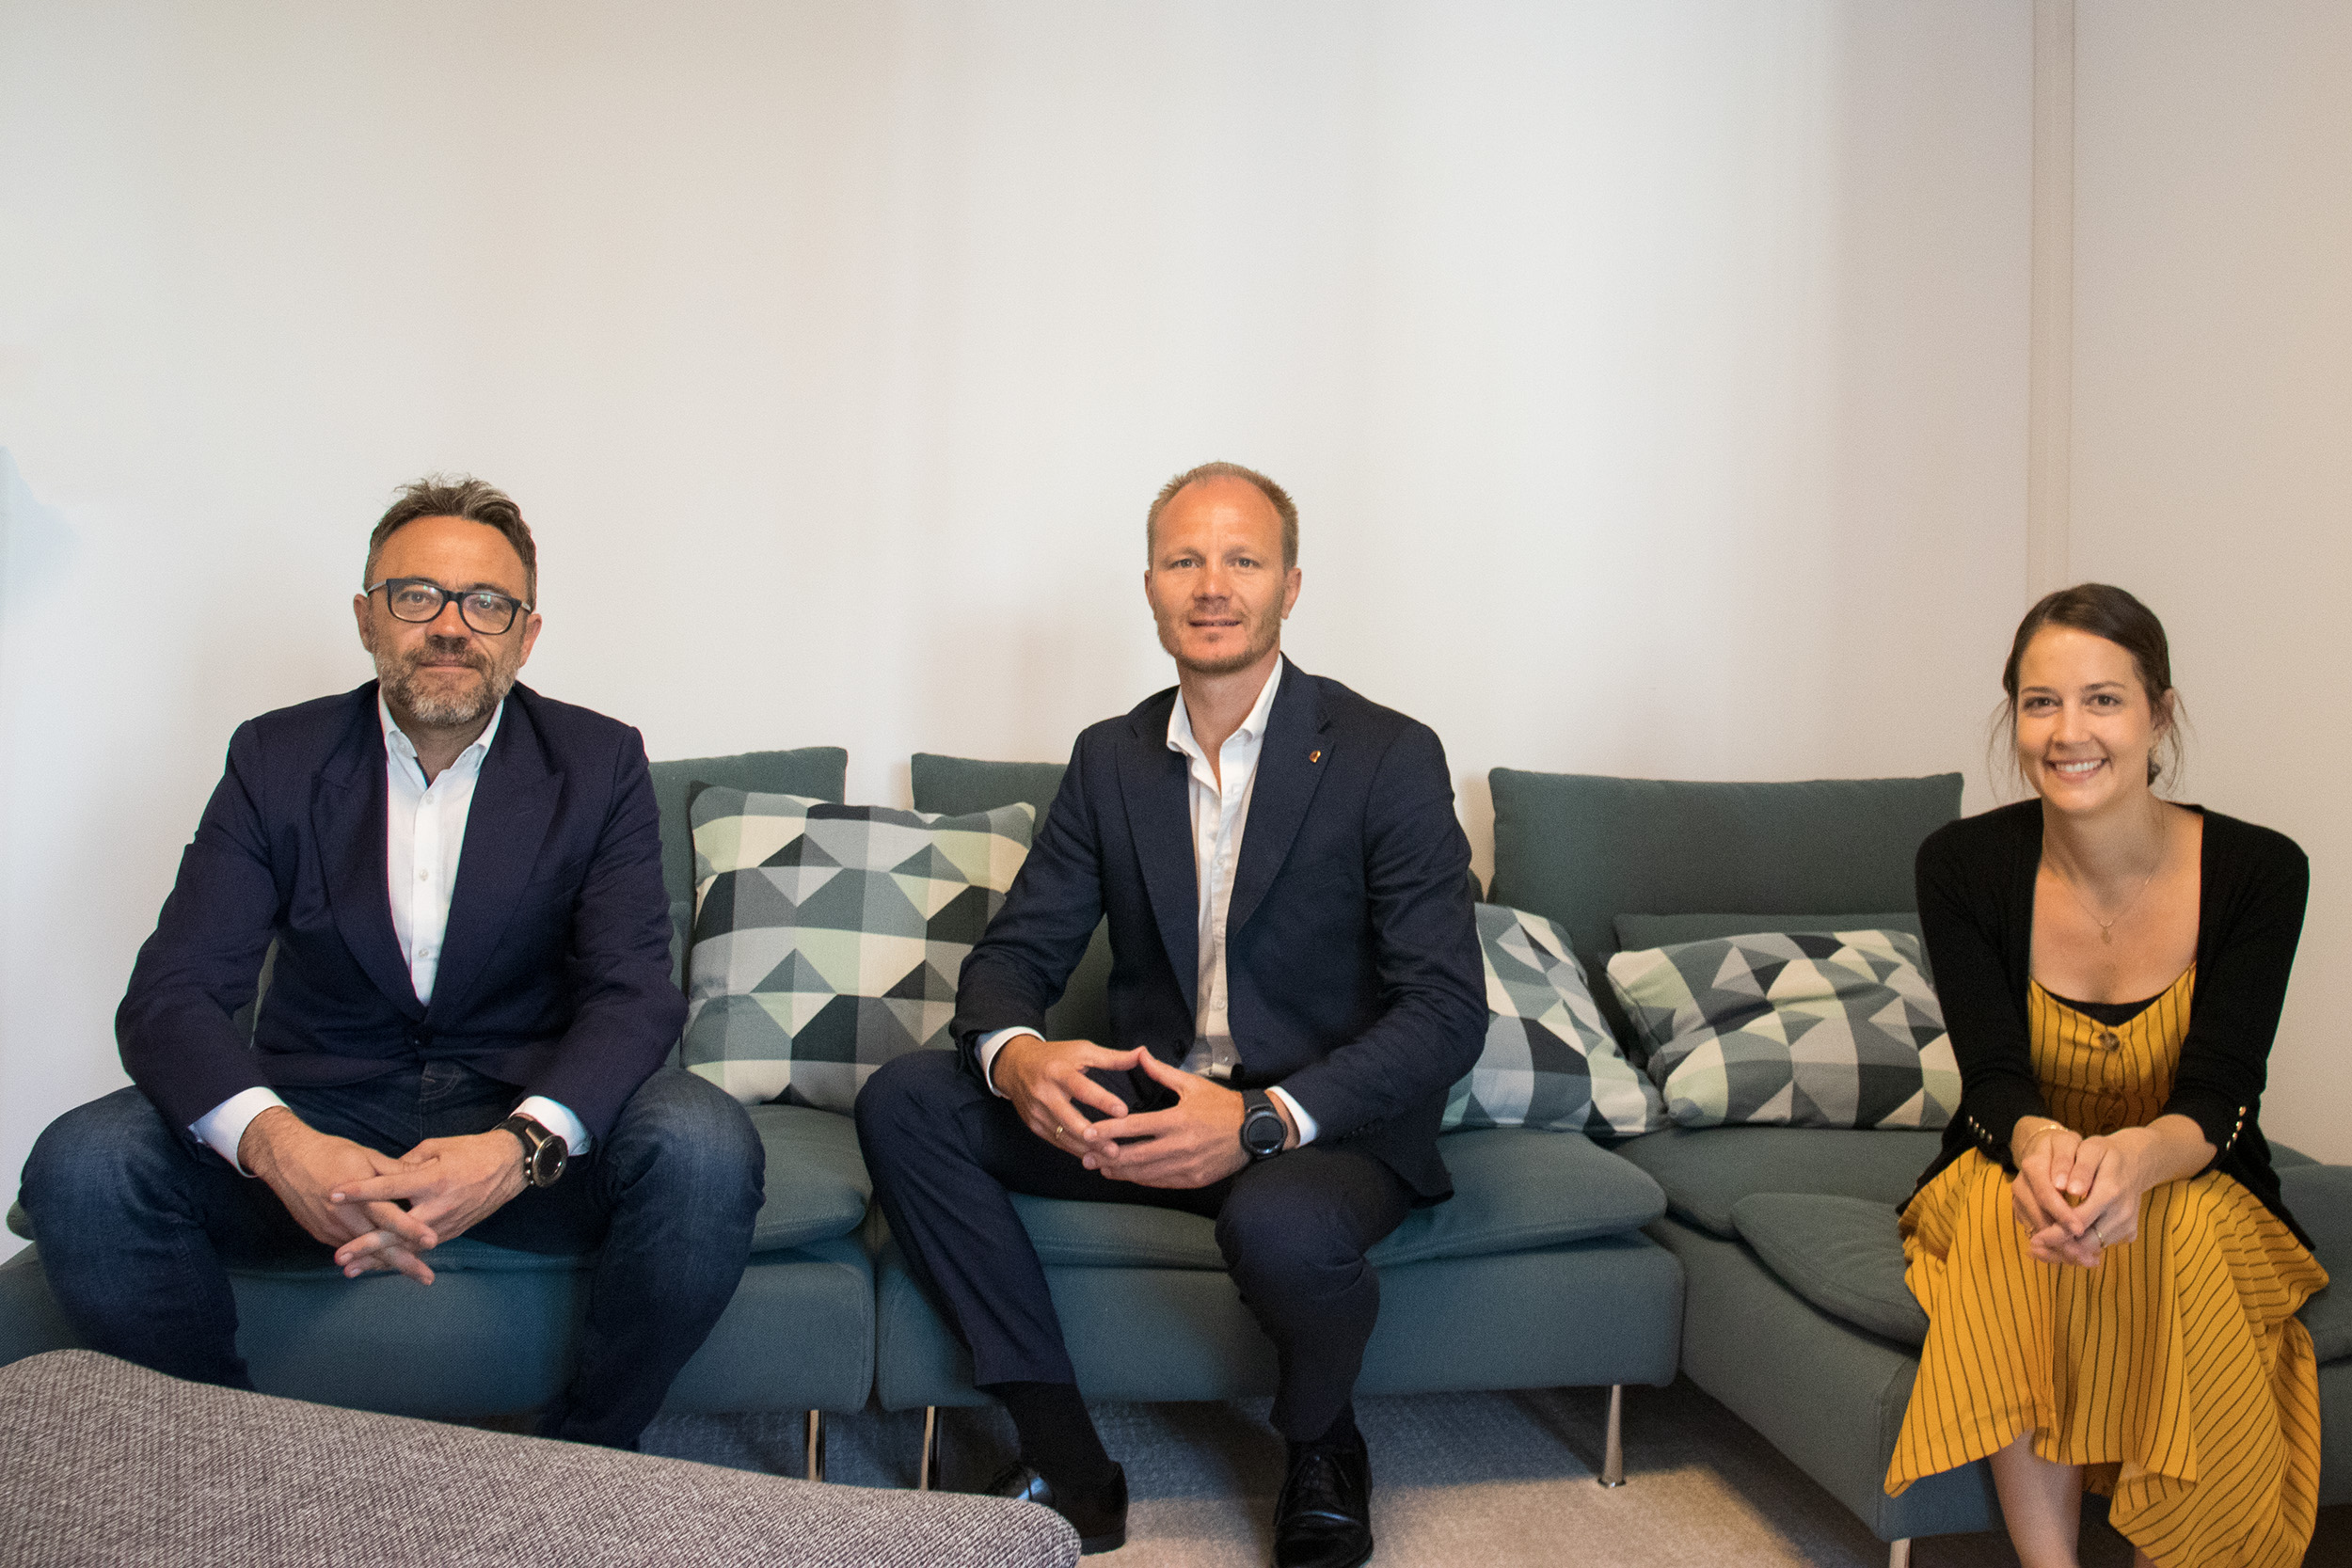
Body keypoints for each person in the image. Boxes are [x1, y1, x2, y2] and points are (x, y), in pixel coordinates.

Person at [21, 476, 763, 1450]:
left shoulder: (598, 759)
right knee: (85, 1160)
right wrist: (285, 1147)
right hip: (323, 1112)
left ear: (526, 634)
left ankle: (585, 1455)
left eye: (486, 603)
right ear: (369, 617)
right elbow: (173, 996)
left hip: (518, 1117)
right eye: (417, 595)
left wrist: (515, 1149)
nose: (451, 626)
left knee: (703, 1142)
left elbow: (632, 994)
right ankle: (225, 1462)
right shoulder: (274, 757)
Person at [856, 461, 1485, 1565]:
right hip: (1152, 1095)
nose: (1211, 584)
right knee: (910, 1098)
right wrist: (1021, 1060)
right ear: (1149, 584)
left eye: (1242, 559)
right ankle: (1070, 1465)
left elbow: (1444, 1011)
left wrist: (1253, 1122)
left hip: (1313, 1120)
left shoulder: (1388, 753)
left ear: (1291, 586)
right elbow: (1015, 956)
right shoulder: (1111, 757)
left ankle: (1322, 1443)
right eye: (1185, 559)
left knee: (1278, 1223)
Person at [1884, 584, 2327, 1568]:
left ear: (2158, 713)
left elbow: (2219, 1090)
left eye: (2102, 699)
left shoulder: (2262, 870)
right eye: (2040, 701)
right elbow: (1993, 1076)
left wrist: (2135, 1159)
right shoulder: (1958, 863)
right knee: (2018, 1223)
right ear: (2014, 715)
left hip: (2195, 1164)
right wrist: (2046, 1152)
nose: (2067, 730)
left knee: (2180, 1231)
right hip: (2010, 1149)